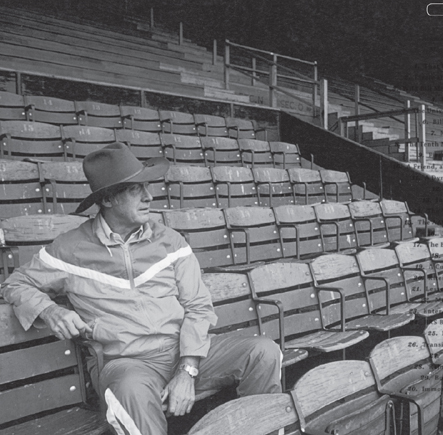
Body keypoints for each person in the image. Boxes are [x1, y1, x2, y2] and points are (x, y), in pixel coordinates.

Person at [1, 142, 282, 435]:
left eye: (147, 186)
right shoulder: (69, 248)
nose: (149, 196)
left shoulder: (170, 241)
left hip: (184, 351)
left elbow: (198, 306)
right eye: (136, 189)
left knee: (263, 352)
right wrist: (50, 310)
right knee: (130, 392)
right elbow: (15, 283)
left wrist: (187, 370)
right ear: (108, 199)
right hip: (127, 364)